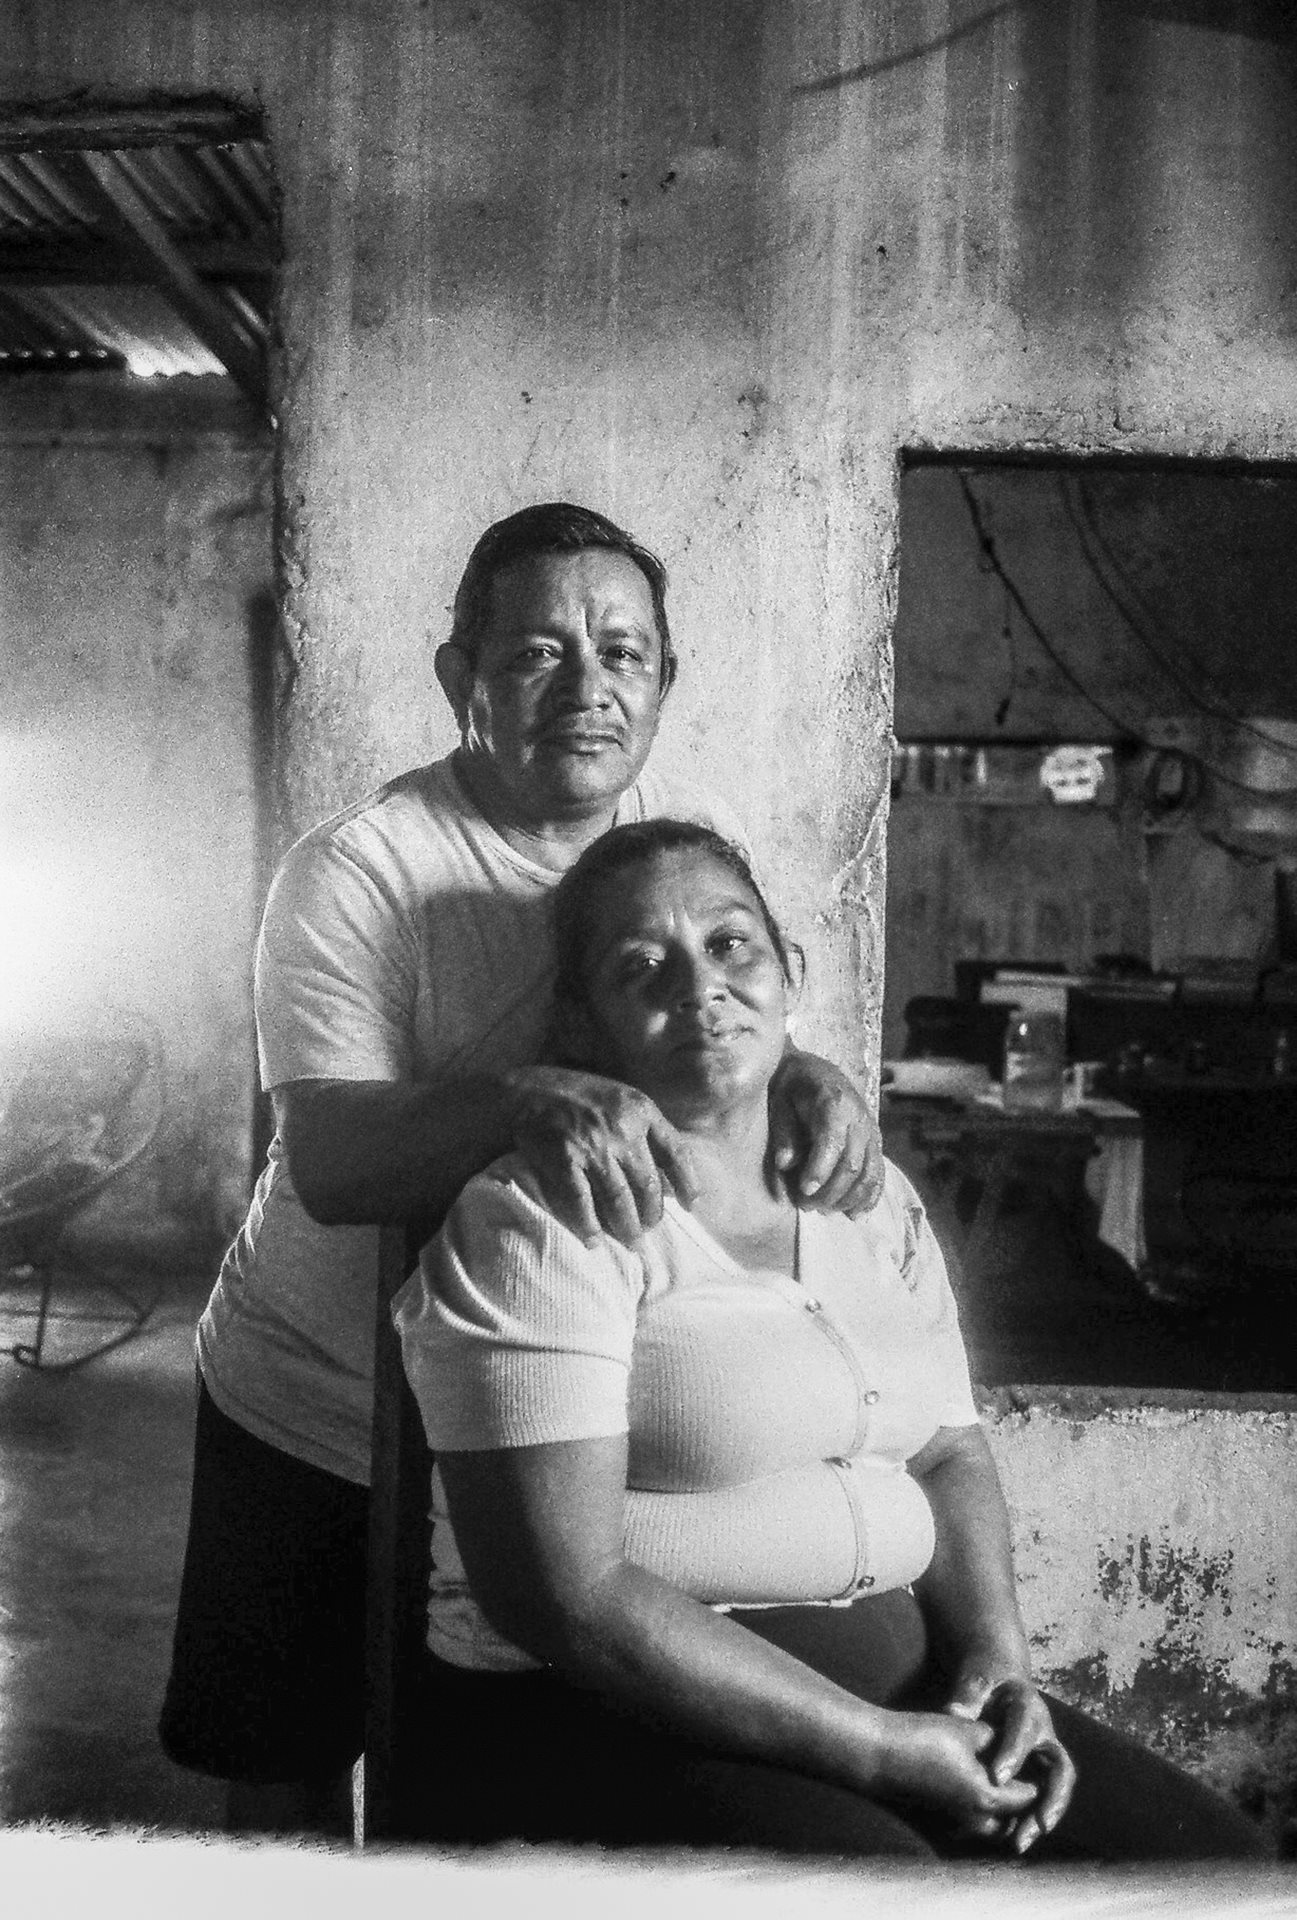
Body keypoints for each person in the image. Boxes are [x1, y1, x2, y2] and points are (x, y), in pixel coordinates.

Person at [159, 505, 884, 1836]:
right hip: (312, 1395)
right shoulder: (361, 868)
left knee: (500, 1762)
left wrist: (818, 1078)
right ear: (462, 679)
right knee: (288, 1760)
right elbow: (326, 1157)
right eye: (539, 653)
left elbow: (738, 1029)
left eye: (622, 653)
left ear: (665, 681)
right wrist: (519, 1098)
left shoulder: (684, 831)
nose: (587, 686)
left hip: (535, 1405)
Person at [392, 818, 1271, 1862]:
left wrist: (996, 1668)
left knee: (1213, 1865)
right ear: (582, 1026)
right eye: (642, 968)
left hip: (896, 1680)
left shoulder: (868, 1199)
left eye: (730, 947)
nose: (701, 990)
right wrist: (879, 1752)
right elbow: (562, 1596)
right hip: (607, 1708)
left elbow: (946, 1449)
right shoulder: (544, 1225)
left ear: (788, 973)